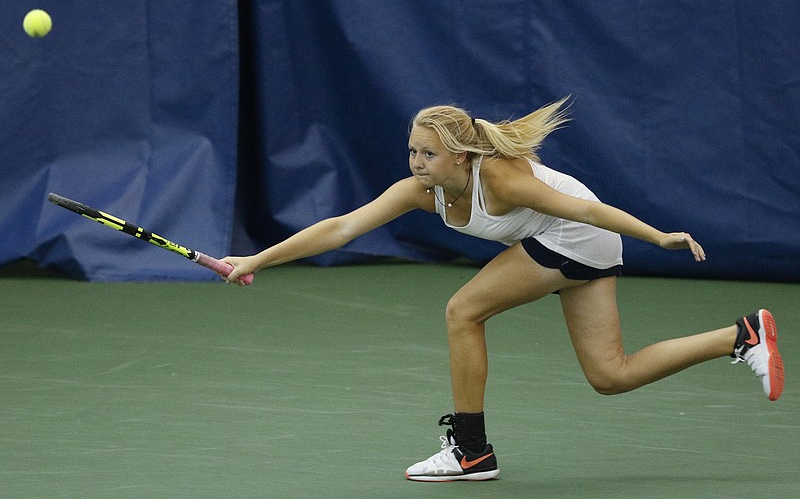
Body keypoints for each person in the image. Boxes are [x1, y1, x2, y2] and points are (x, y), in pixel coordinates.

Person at [222, 98, 784, 482]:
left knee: (463, 310)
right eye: (413, 152)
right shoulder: (421, 190)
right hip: (577, 247)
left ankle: (470, 450)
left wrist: (657, 236)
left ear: (461, 156)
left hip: (580, 236)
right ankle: (740, 336)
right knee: (611, 375)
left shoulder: (502, 178)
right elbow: (340, 227)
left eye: (430, 154)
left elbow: (585, 208)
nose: (418, 163)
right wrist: (258, 259)